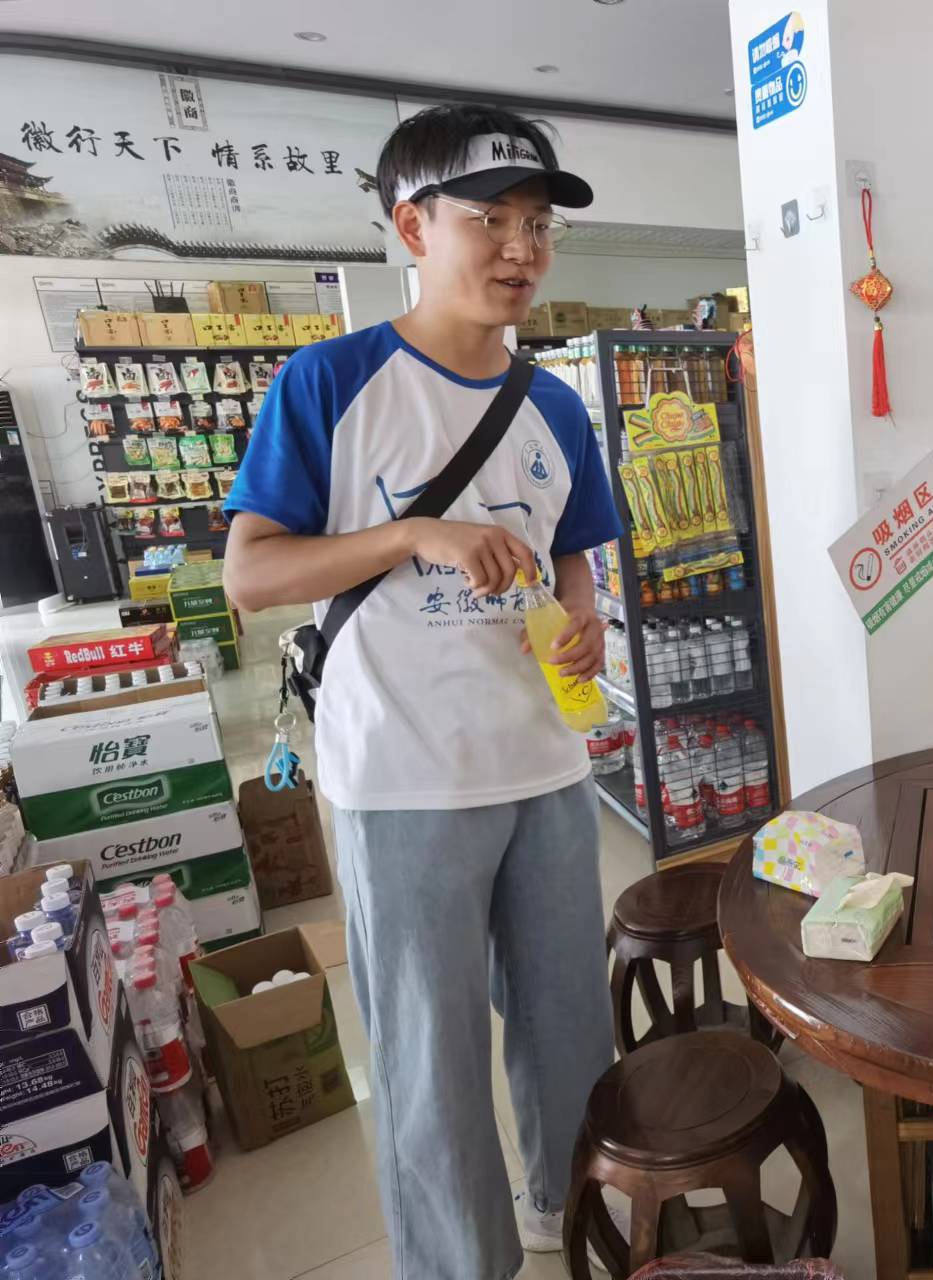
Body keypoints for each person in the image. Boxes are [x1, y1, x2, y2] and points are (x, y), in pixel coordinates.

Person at [221, 105, 621, 1278]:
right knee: (430, 1056)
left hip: (545, 764)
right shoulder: (331, 381)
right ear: (412, 227)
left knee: (568, 1024)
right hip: (402, 779)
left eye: (538, 223)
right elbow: (252, 574)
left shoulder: (556, 404)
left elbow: (576, 553)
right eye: (489, 219)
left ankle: (564, 1211)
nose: (521, 248)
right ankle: (459, 1261)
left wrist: (585, 617)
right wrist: (411, 534)